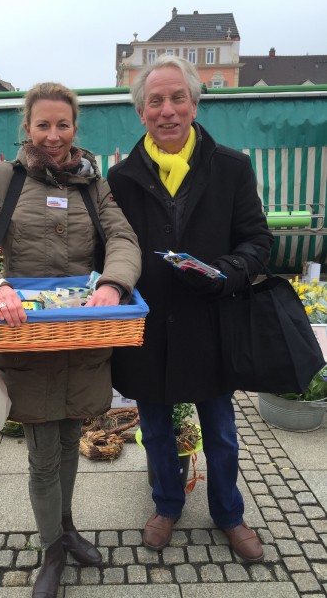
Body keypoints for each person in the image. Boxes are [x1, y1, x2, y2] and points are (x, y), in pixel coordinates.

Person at [0, 81, 141, 598]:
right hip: (25, 332)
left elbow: (122, 237)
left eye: (63, 125)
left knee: (69, 437)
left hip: (80, 335)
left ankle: (68, 527)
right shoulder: (0, 178)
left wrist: (112, 282)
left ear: (75, 128)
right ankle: (51, 551)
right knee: (42, 452)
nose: (53, 136)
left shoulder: (94, 185)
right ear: (27, 128)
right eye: (43, 125)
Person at [107, 56, 273, 563]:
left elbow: (257, 240)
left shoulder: (231, 167)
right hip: (149, 326)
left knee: (220, 429)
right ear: (141, 113)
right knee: (154, 426)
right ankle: (166, 504)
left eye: (178, 97)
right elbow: (110, 245)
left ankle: (229, 513)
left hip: (210, 321)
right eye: (155, 101)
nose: (167, 110)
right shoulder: (120, 177)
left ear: (195, 103)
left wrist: (225, 270)